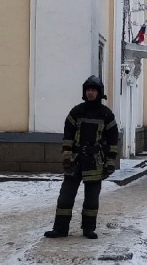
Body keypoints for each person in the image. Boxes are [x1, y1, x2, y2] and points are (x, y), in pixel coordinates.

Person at [44, 75, 118, 240]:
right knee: (65, 197)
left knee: (91, 200)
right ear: (85, 92)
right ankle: (60, 229)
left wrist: (110, 162)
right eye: (88, 90)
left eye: (93, 90)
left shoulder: (106, 115)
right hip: (75, 162)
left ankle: (88, 229)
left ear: (99, 93)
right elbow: (68, 136)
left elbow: (113, 141)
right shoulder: (77, 112)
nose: (91, 93)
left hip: (95, 162)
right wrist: (66, 157)